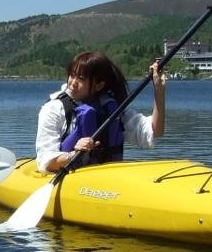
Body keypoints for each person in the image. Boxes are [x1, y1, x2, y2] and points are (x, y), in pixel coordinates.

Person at [36, 51, 165, 173]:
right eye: (72, 75)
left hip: (106, 178)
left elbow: (155, 131)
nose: (73, 83)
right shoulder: (54, 109)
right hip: (70, 178)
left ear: (99, 85)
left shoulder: (111, 109)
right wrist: (74, 154)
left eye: (81, 79)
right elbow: (46, 161)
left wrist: (159, 89)